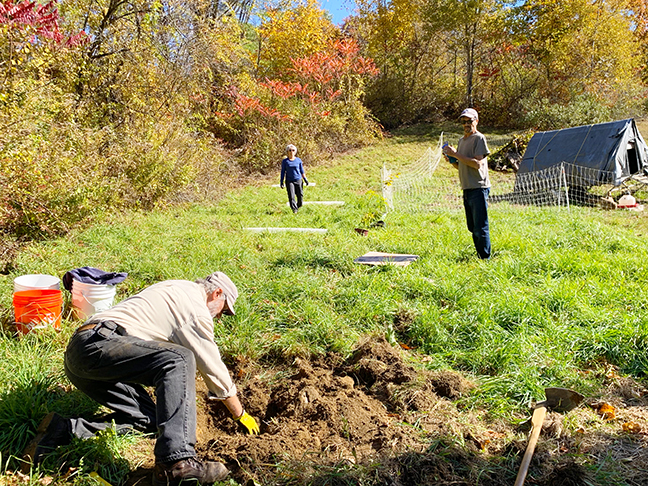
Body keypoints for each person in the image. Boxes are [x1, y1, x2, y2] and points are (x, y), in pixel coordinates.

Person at [23, 272, 259, 486]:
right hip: (99, 345)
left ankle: (62, 430)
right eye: (224, 310)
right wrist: (240, 413)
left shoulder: (175, 286)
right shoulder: (195, 309)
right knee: (180, 359)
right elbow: (211, 366)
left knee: (154, 420)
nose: (219, 317)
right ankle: (177, 463)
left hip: (83, 354)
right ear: (216, 293)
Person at [442, 108, 492, 259]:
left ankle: (485, 258)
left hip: (479, 187)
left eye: (469, 121)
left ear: (476, 121)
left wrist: (455, 154)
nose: (466, 124)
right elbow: (462, 164)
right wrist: (452, 160)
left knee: (480, 227)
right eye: (463, 121)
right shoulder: (461, 141)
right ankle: (480, 254)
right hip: (467, 187)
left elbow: (477, 164)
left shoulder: (479, 138)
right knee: (472, 226)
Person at [280, 144, 309, 213]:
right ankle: (294, 210)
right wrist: (281, 181)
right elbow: (283, 172)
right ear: (287, 151)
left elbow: (302, 170)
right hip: (289, 181)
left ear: (295, 151)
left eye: (293, 150)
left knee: (300, 195)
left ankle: (298, 206)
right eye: (290, 150)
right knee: (291, 196)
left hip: (298, 180)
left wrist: (305, 179)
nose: (291, 152)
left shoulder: (298, 160)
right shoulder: (285, 161)